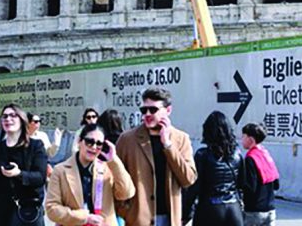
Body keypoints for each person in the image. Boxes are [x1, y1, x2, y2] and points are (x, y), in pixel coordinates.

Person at [116, 87, 197, 226]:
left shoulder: (181, 139)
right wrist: (126, 211)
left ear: (168, 110)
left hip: (169, 218)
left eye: (153, 110)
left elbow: (188, 179)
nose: (147, 114)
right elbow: (114, 178)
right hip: (137, 219)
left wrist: (168, 145)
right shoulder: (127, 139)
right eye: (144, 110)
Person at [0, 104, 48, 225]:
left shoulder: (36, 146)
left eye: (13, 115)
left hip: (24, 212)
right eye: (4, 116)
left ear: (22, 120)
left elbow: (40, 177)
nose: (8, 119)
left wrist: (19, 173)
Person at [46, 123, 136, 226]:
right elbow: (51, 209)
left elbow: (127, 193)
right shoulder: (60, 171)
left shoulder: (108, 168)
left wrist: (114, 160)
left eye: (99, 144)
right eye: (89, 142)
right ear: (80, 141)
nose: (94, 147)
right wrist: (84, 217)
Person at [185, 111, 244, 226]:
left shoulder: (202, 155)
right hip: (234, 208)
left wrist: (185, 213)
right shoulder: (237, 155)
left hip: (209, 209)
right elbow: (241, 184)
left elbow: (194, 188)